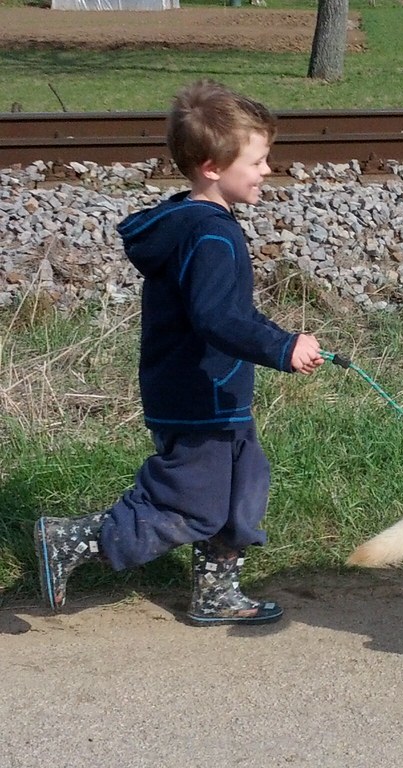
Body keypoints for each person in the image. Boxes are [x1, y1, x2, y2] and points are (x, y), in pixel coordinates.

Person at [34, 79, 324, 626]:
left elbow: (230, 311)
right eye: (258, 161)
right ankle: (75, 539)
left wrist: (281, 340)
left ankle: (217, 592)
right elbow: (216, 320)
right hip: (197, 396)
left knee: (243, 487)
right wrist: (283, 346)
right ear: (213, 166)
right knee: (191, 500)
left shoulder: (202, 224)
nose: (267, 171)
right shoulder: (210, 236)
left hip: (217, 392)